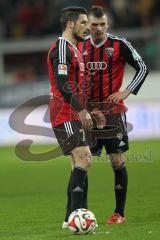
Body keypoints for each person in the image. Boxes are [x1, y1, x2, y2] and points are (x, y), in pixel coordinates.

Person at [63, 6, 149, 226]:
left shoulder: (119, 44)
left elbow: (142, 67)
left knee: (117, 161)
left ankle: (119, 213)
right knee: (80, 163)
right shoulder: (78, 46)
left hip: (113, 114)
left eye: (102, 24)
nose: (98, 29)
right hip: (87, 114)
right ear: (87, 24)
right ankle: (79, 213)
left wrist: (126, 91)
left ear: (107, 24)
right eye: (94, 25)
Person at [48, 7, 103, 228]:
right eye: (83, 23)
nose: (87, 27)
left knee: (78, 164)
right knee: (84, 159)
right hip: (63, 112)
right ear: (70, 24)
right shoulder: (62, 48)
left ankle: (70, 218)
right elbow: (62, 84)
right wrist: (81, 110)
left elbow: (77, 87)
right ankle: (77, 218)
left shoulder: (75, 49)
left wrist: (89, 108)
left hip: (74, 111)